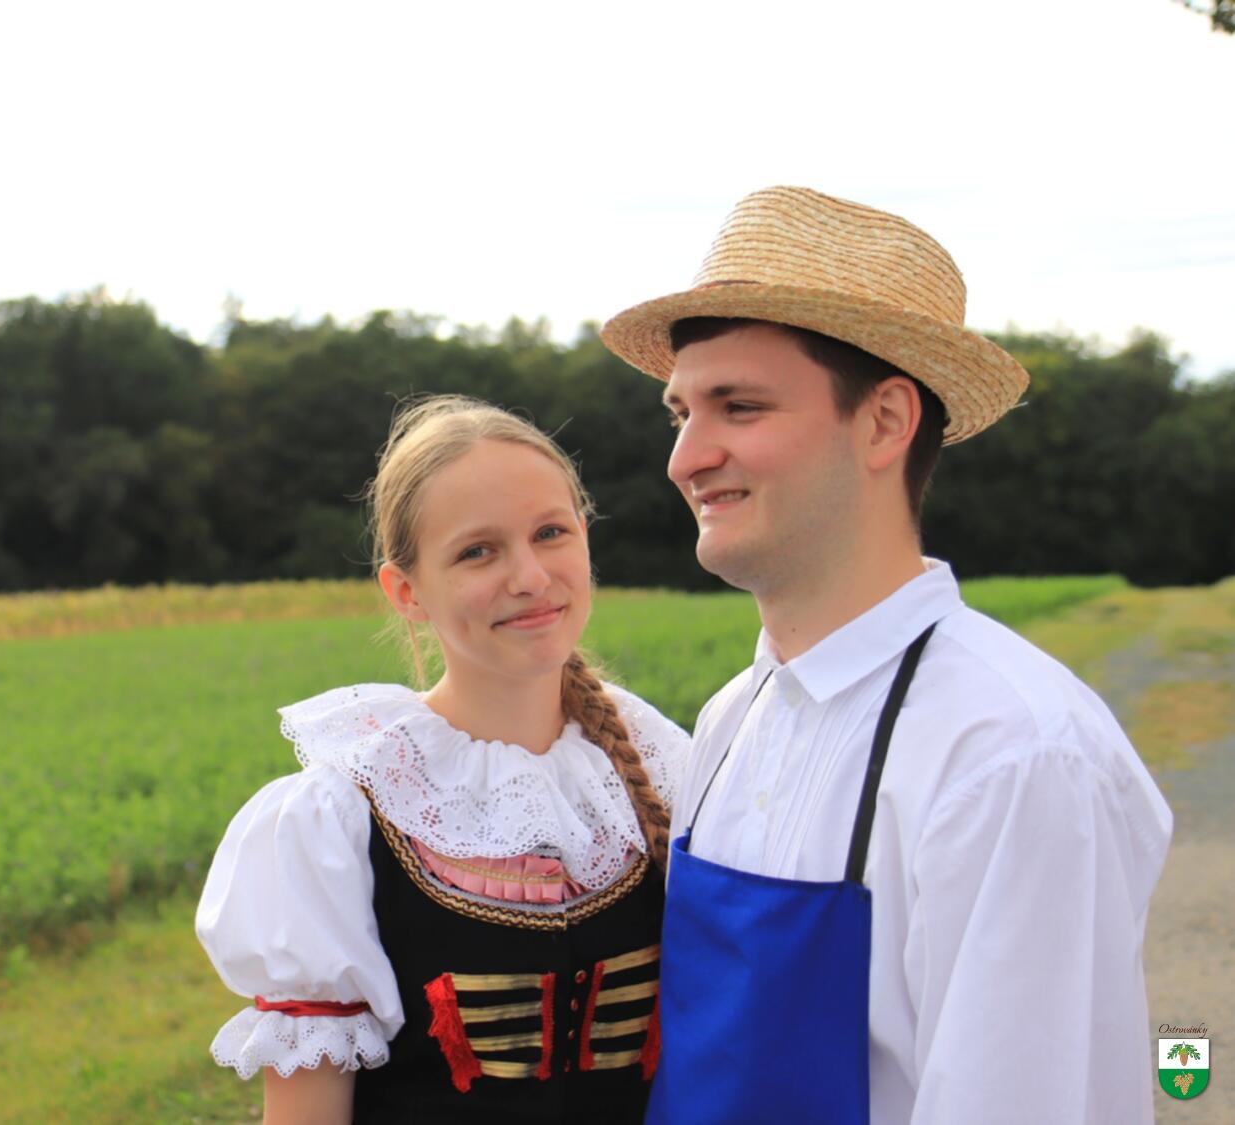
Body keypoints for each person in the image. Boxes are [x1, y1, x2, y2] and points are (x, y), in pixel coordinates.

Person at [599, 186, 1173, 1124]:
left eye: (738, 406)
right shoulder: (730, 719)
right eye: (680, 414)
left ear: (885, 422)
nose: (686, 458)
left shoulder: (1012, 753)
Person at [195, 395, 689, 1124]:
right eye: (477, 551)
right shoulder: (341, 819)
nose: (530, 576)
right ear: (407, 592)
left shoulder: (667, 763)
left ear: (585, 539)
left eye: (549, 532)